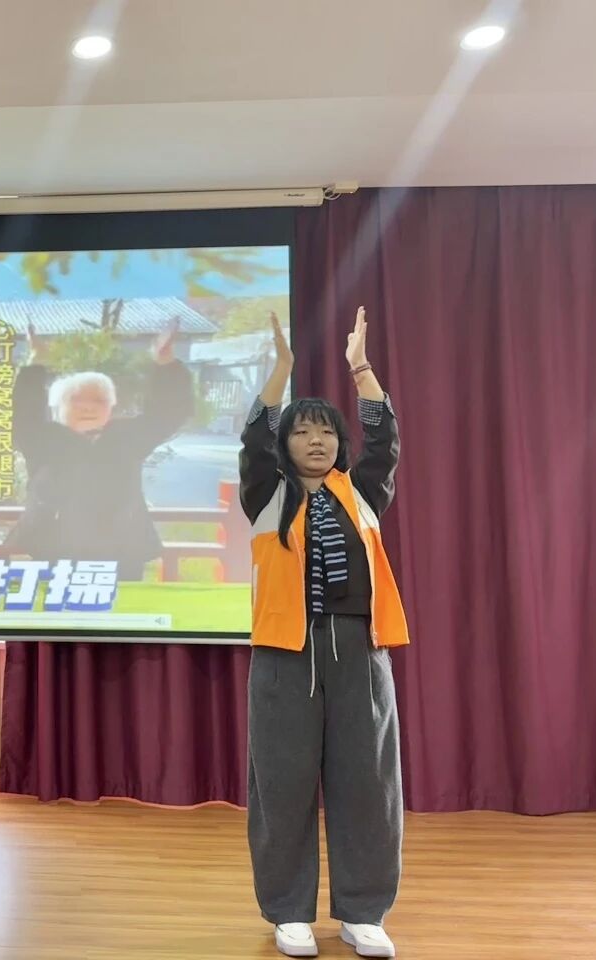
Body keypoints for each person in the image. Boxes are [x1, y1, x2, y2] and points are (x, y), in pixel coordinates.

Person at [240, 308, 408, 959]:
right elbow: (253, 439)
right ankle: (289, 913)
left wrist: (360, 369)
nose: (316, 441)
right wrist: (280, 370)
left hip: (360, 652)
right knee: (281, 786)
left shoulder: (362, 492)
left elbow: (384, 441)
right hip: (285, 656)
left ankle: (364, 913)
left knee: (368, 784)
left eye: (326, 432)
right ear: (285, 444)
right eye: (302, 431)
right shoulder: (267, 494)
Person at [4, 319, 194, 578]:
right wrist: (36, 363)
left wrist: (165, 364)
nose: (88, 406)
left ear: (111, 408)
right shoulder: (43, 438)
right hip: (53, 550)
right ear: (57, 408)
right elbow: (22, 414)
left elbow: (168, 413)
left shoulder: (126, 437)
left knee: (120, 604)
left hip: (121, 553)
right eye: (76, 399)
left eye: (99, 400)